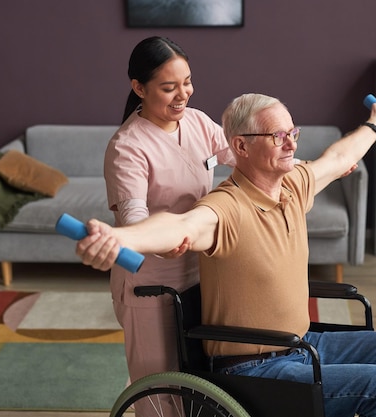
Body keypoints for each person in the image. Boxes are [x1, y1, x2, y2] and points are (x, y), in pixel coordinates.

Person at [78, 93, 376, 417]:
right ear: (241, 147)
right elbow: (181, 225)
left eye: (293, 132)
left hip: (299, 344)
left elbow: (340, 156)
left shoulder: (294, 183)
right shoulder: (228, 206)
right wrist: (118, 237)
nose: (290, 143)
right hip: (252, 366)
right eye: (277, 136)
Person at [105, 36, 235, 387]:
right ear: (139, 88)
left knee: (197, 378)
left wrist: (296, 165)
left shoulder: (197, 122)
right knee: (158, 383)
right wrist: (158, 241)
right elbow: (133, 219)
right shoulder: (127, 147)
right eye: (168, 87)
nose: (183, 94)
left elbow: (246, 159)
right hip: (151, 283)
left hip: (200, 272)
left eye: (187, 82)